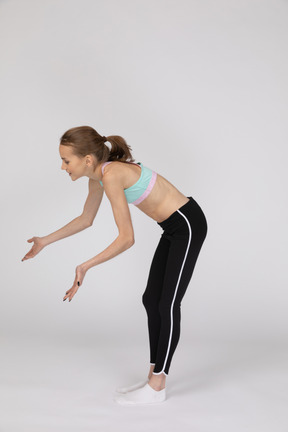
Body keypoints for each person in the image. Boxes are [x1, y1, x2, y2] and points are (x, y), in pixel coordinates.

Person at [22, 125, 208, 405]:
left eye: (66, 160)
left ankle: (158, 386)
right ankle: (152, 376)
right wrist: (45, 241)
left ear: (87, 160)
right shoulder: (97, 178)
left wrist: (85, 266)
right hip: (172, 228)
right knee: (151, 299)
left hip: (187, 224)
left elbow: (127, 238)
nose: (62, 167)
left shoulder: (111, 175)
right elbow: (86, 219)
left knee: (167, 304)